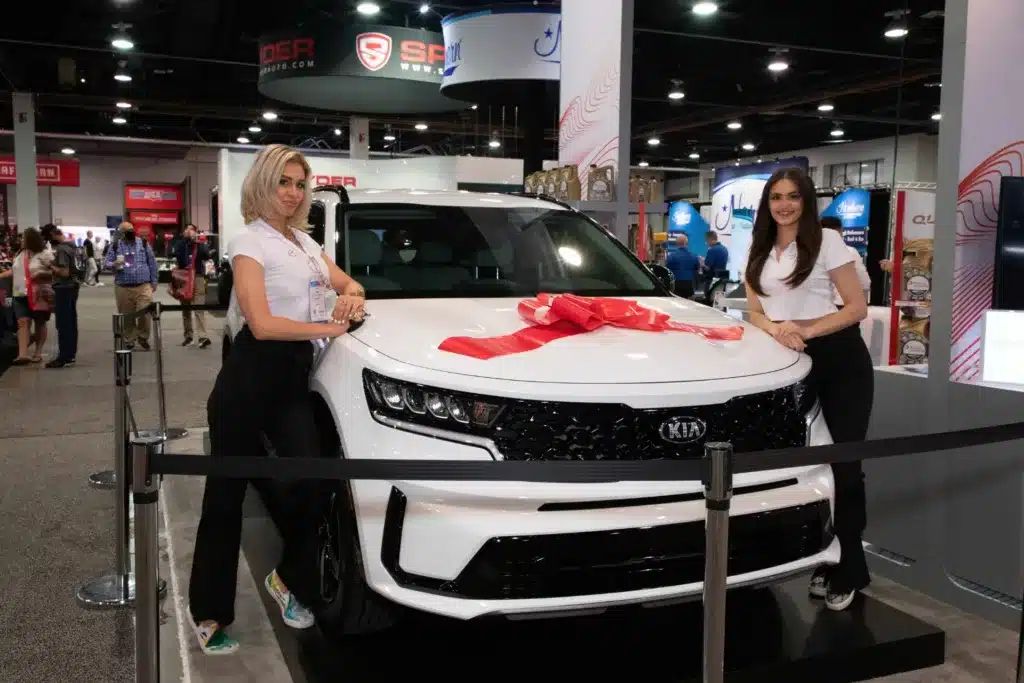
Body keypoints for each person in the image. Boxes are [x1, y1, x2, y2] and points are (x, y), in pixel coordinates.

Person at [188, 144, 366, 654]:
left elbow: (348, 281)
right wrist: (330, 326)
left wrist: (353, 293)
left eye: (298, 183)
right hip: (250, 375)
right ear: (262, 185)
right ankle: (209, 612)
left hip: (292, 378)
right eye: (282, 182)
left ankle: (288, 579)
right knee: (225, 495)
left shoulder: (307, 245)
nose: (291, 193)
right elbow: (262, 324)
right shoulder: (250, 242)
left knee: (317, 480)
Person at [742, 167, 873, 612]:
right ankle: (818, 555)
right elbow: (754, 310)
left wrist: (807, 328)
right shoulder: (759, 246)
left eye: (793, 196)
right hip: (787, 364)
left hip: (838, 360)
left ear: (807, 200)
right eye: (776, 196)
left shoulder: (827, 241)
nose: (784, 205)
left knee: (843, 464)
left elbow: (856, 308)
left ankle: (850, 566)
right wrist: (779, 329)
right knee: (800, 467)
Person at [0, 228, 52, 364]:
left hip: (39, 294)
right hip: (19, 293)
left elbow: (53, 272)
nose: (21, 240)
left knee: (40, 322)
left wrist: (39, 274)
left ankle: (38, 352)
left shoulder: (45, 254)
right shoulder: (20, 254)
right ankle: (22, 354)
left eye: (23, 238)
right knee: (22, 323)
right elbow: (15, 271)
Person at [104, 221, 158, 350]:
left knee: (145, 313)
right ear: (121, 233)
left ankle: (143, 336)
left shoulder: (143, 244)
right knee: (127, 315)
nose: (131, 233)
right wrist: (114, 264)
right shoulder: (116, 246)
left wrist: (154, 281)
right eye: (127, 231)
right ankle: (130, 339)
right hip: (123, 286)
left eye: (132, 230)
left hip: (143, 285)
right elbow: (106, 263)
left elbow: (152, 263)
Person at [47, 227, 82, 367]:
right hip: (73, 287)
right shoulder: (74, 247)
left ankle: (64, 356)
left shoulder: (62, 249)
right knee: (71, 322)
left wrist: (50, 266)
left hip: (63, 288)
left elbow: (64, 272)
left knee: (63, 323)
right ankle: (70, 353)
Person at [173, 223, 213, 348]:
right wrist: (186, 241)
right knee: (186, 310)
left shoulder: (200, 244)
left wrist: (198, 242)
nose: (189, 231)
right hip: (184, 278)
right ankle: (188, 336)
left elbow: (206, 255)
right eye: (187, 229)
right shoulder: (181, 244)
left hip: (198, 278)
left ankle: (202, 337)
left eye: (192, 229)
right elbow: (178, 256)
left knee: (199, 307)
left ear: (196, 232)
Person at [820, 216, 871, 309]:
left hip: (822, 306)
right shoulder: (850, 252)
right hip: (845, 304)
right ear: (840, 231)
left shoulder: (814, 254)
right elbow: (864, 281)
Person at [665, 234, 700, 298]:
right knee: (688, 304)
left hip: (675, 285)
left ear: (677, 244)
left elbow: (667, 270)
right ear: (687, 243)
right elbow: (697, 270)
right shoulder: (694, 256)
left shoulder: (671, 256)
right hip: (689, 285)